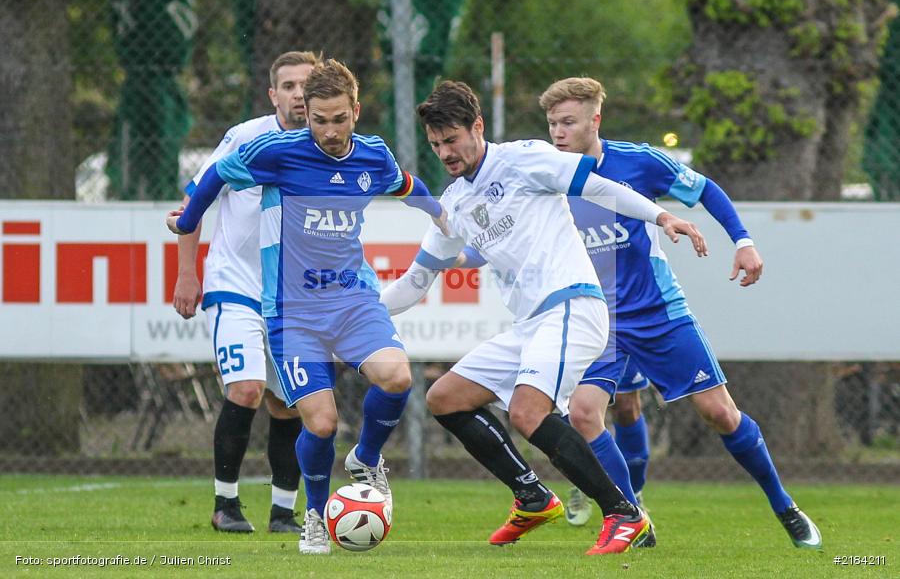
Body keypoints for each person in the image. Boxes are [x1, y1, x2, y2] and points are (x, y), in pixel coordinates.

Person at [467, 76, 822, 549]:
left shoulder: (637, 161)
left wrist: (743, 242)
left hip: (657, 313)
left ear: (596, 119)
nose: (558, 132)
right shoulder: (542, 173)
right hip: (596, 320)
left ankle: (786, 508)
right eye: (552, 123)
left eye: (568, 122)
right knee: (587, 414)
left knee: (718, 412)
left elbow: (705, 190)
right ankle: (632, 517)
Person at [379, 80, 708, 555]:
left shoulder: (523, 158)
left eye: (451, 140)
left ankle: (624, 514)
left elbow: (597, 185)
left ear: (478, 126)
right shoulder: (452, 203)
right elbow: (415, 282)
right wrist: (352, 312)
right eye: (435, 145)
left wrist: (661, 217)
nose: (445, 152)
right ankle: (532, 496)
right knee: (445, 398)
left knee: (528, 412)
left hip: (574, 305)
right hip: (532, 325)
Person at [166, 59, 447, 555]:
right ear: (307, 115)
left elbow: (408, 187)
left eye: (340, 119)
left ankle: (365, 459)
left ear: (355, 111)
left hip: (352, 299)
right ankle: (314, 516)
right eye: (320, 120)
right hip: (291, 310)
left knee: (398, 378)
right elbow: (212, 178)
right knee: (319, 423)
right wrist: (187, 220)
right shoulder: (277, 152)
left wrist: (444, 216)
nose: (330, 131)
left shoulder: (373, 156)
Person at [173, 50, 318, 534]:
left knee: (289, 402)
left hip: (291, 298)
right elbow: (195, 200)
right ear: (273, 94)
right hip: (234, 287)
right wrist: (187, 275)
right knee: (247, 388)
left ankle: (283, 511)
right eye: (291, 86)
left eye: (308, 86)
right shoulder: (246, 137)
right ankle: (225, 505)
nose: (300, 94)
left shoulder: (329, 144)